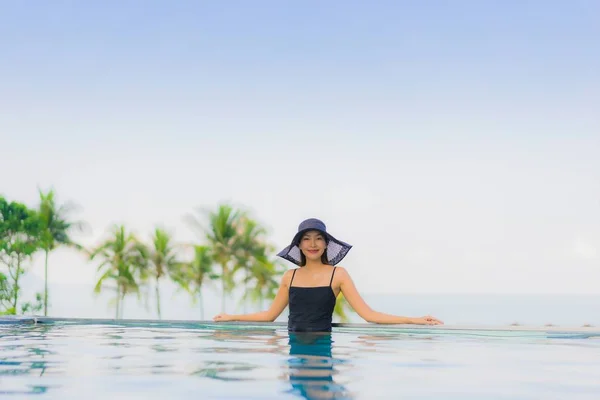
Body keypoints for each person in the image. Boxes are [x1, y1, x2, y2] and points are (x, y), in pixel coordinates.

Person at [213, 218, 443, 331]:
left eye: (318, 238)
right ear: (300, 245)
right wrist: (231, 317)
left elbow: (369, 315)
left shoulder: (338, 275)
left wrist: (415, 319)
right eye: (306, 238)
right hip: (294, 349)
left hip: (323, 348)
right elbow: (269, 315)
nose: (312, 243)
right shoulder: (289, 277)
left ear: (325, 244)